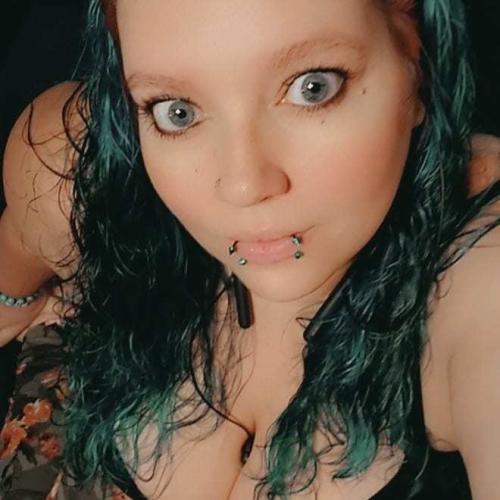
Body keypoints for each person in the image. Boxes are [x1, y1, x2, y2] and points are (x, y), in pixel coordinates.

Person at [1, 0, 500, 498]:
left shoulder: (481, 283)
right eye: (177, 112)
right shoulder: (71, 171)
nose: (243, 186)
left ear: (415, 59)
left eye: (313, 87)